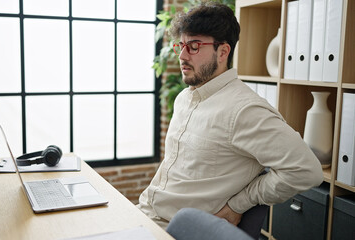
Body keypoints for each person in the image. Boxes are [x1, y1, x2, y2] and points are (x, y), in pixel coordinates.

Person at [137, 1, 323, 230]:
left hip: (177, 230)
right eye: (181, 45)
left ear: (223, 51)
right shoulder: (185, 98)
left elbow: (306, 170)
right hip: (144, 213)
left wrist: (239, 204)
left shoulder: (245, 110)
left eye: (194, 46)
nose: (183, 56)